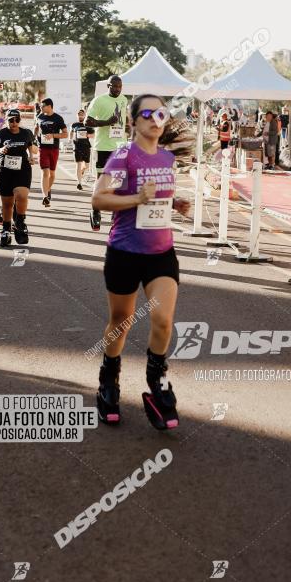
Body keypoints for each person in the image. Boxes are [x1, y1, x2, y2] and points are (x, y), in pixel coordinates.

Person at [91, 93, 190, 429]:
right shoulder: (123, 156)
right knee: (121, 321)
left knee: (162, 319)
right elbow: (99, 198)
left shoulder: (166, 158)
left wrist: (174, 204)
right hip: (124, 251)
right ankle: (109, 378)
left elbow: (157, 198)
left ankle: (157, 384)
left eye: (160, 113)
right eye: (146, 113)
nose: (154, 118)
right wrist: (137, 198)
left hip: (161, 253)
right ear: (132, 121)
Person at [85, 75, 128, 232]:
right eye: (114, 86)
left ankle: (115, 220)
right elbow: (87, 122)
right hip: (102, 146)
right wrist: (106, 122)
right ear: (108, 86)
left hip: (119, 147)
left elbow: (123, 120)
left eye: (120, 87)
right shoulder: (98, 100)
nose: (117, 89)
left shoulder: (124, 100)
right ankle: (96, 211)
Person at [0, 108, 37, 248]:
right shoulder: (0, 133)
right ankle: (5, 230)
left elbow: (32, 147)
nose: (14, 122)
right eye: (11, 120)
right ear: (7, 121)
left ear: (20, 120)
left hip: (22, 169)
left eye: (17, 120)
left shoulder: (27, 133)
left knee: (22, 195)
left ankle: (20, 223)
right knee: (7, 204)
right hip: (4, 171)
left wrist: (32, 155)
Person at [34, 98, 68, 207]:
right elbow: (36, 128)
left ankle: (47, 190)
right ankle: (44, 196)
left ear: (49, 106)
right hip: (42, 148)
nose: (41, 108)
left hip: (54, 149)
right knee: (45, 172)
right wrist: (34, 138)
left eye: (43, 106)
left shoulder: (58, 118)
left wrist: (53, 135)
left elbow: (65, 134)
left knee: (52, 174)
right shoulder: (40, 117)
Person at [71, 109, 94, 190]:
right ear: (77, 115)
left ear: (84, 115)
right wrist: (71, 141)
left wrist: (87, 135)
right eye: (79, 114)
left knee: (86, 166)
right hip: (77, 147)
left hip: (86, 147)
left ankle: (82, 171)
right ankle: (79, 183)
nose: (80, 116)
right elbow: (71, 133)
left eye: (82, 114)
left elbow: (93, 135)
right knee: (78, 165)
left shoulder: (87, 124)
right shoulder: (74, 124)